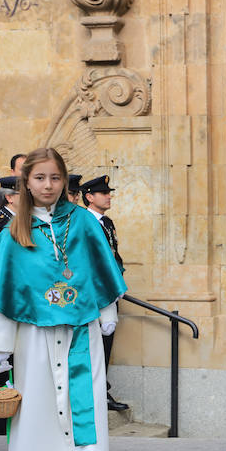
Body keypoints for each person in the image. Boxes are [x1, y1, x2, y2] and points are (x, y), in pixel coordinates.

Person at [0, 148, 127, 451]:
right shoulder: (15, 232)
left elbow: (99, 272)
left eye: (55, 178)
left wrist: (106, 311)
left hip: (79, 331)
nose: (48, 185)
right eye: (40, 178)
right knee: (40, 416)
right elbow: (4, 294)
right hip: (33, 337)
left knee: (85, 411)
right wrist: (0, 347)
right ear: (26, 182)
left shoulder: (84, 223)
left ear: (64, 180)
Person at [81, 175, 127, 411]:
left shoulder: (106, 222)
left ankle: (102, 392)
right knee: (93, 346)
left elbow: (113, 257)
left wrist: (118, 282)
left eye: (109, 192)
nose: (109, 196)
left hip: (110, 291)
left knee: (106, 345)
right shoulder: (84, 222)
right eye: (103, 193)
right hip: (94, 295)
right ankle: (93, 393)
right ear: (89, 197)